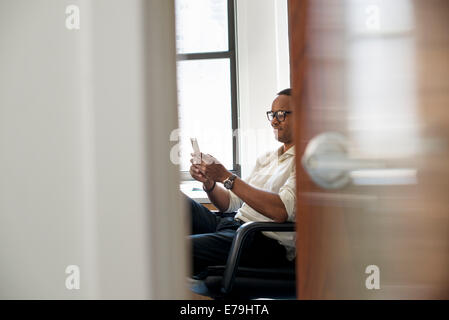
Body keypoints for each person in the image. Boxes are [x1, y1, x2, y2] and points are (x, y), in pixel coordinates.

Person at [187, 88, 296, 277]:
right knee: (173, 200)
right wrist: (210, 183)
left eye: (281, 114)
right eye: (272, 114)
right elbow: (230, 203)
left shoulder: (305, 161)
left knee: (174, 250)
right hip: (233, 225)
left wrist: (226, 176)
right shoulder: (267, 158)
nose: (274, 121)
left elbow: (281, 211)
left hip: (259, 240)